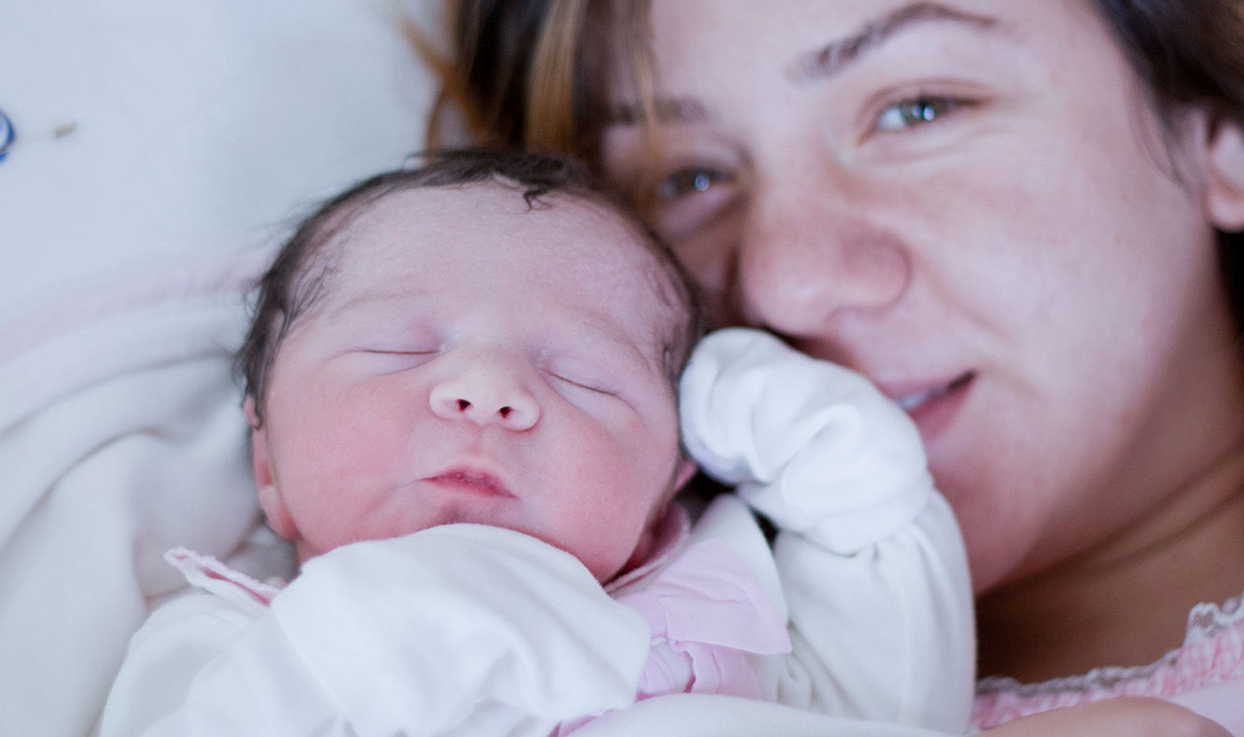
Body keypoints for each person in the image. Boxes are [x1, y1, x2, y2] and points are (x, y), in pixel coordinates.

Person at [436, 0, 1244, 734]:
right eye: (687, 178)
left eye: (920, 110)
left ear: (1222, 123)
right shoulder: (554, 672)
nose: (787, 283)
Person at [97, 149, 980, 737]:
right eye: (397, 349)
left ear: (665, 487)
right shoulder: (231, 649)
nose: (489, 391)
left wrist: (834, 453)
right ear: (267, 466)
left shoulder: (731, 607)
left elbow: (898, 704)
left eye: (586, 378)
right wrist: (415, 613)